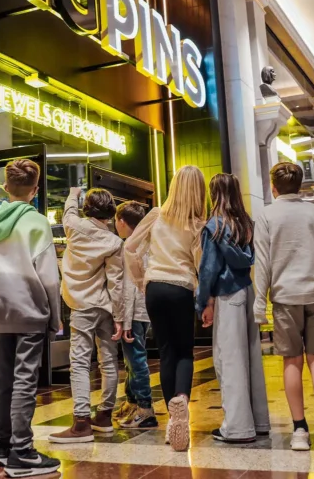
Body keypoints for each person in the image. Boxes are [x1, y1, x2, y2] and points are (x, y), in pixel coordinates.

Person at [0, 159, 61, 477]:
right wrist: (54, 316)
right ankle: (22, 450)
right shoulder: (37, 223)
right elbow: (49, 276)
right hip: (29, 310)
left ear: (6, 187)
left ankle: (2, 447)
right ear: (35, 190)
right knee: (25, 379)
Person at [253, 162, 314, 454]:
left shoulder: (266, 215)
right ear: (300, 185)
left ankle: (300, 431)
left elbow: (263, 263)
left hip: (285, 298)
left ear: (273, 186)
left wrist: (259, 303)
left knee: (291, 361)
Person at [124, 165, 206, 452]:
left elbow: (130, 247)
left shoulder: (156, 214)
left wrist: (140, 280)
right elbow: (201, 263)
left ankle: (173, 423)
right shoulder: (198, 223)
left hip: (155, 287)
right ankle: (181, 399)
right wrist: (205, 295)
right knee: (185, 352)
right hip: (182, 287)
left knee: (166, 352)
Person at [196, 174, 270, 444]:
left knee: (229, 362)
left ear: (214, 194)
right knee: (251, 359)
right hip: (246, 291)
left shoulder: (214, 226)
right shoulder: (246, 224)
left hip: (227, 295)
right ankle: (259, 422)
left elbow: (208, 270)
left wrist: (203, 301)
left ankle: (237, 428)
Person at [49, 187, 124, 443]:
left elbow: (68, 211)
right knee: (108, 361)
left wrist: (73, 193)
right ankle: (104, 416)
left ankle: (81, 423)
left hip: (80, 306)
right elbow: (115, 281)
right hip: (105, 306)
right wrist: (119, 315)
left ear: (88, 209)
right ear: (111, 212)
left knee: (80, 363)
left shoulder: (74, 226)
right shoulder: (114, 242)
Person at [113, 201, 157, 429]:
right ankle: (132, 402)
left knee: (136, 360)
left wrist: (125, 320)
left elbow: (129, 287)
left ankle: (145, 408)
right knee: (132, 360)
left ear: (122, 222)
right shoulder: (147, 243)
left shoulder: (129, 246)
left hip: (134, 312)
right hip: (144, 310)